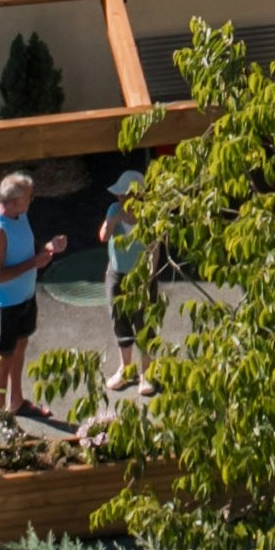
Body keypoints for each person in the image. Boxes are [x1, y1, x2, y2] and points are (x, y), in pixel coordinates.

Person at [0, 170, 67, 428]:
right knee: (3, 357)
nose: (32, 199)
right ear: (13, 201)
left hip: (25, 296)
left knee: (20, 346)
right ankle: (2, 416)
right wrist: (33, 263)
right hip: (6, 304)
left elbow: (26, 247)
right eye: (28, 196)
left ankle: (16, 401)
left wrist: (47, 248)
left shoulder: (19, 215)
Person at [99, 168, 159, 398]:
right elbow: (103, 237)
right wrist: (111, 221)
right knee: (120, 320)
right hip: (117, 272)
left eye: (125, 194)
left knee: (144, 323)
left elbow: (155, 246)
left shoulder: (149, 214)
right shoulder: (114, 210)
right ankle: (126, 368)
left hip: (142, 276)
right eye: (120, 195)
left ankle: (146, 373)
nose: (121, 198)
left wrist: (150, 275)